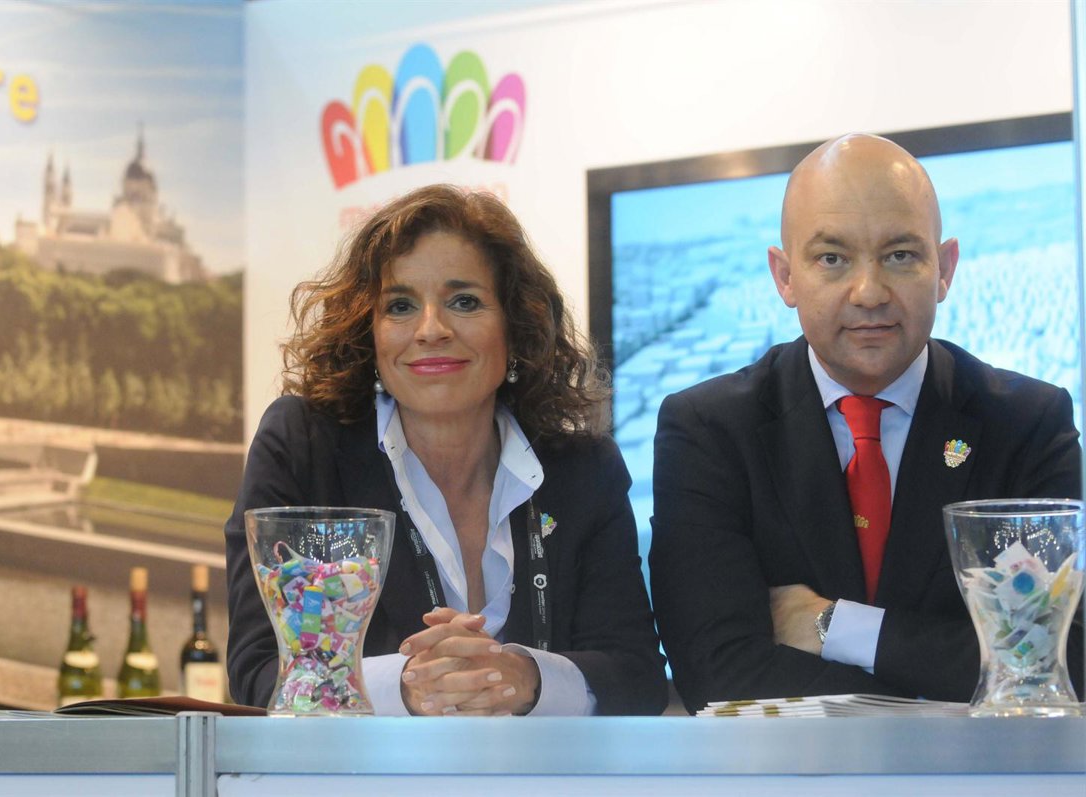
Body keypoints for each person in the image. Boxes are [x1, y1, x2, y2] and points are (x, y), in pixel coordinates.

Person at [650, 134, 1083, 712]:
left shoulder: (1026, 425)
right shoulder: (709, 430)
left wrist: (837, 627)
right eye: (832, 259)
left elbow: (1061, 661)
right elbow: (718, 672)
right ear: (785, 276)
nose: (870, 292)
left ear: (945, 269)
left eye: (900, 255)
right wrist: (946, 679)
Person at [226, 184, 666, 716]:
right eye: (400, 306)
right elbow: (259, 671)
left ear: (516, 326)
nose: (431, 330)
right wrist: (409, 685)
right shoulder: (305, 446)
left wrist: (527, 678)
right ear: (369, 334)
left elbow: (636, 676)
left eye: (464, 302)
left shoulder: (583, 469)